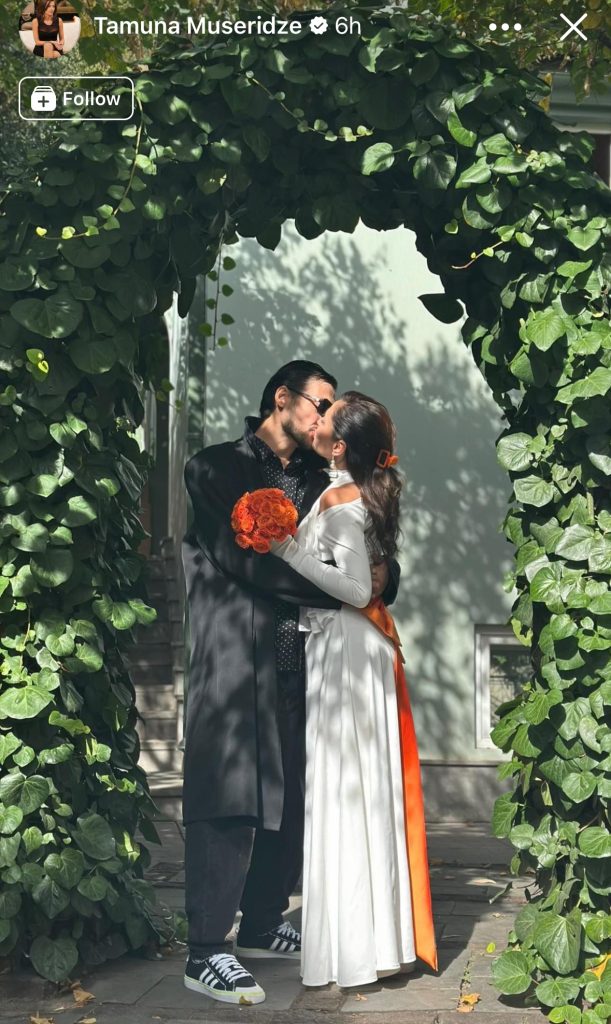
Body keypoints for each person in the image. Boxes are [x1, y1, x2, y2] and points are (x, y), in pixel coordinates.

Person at [181, 362, 401, 1004]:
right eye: (321, 404)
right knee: (229, 796)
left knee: (295, 796)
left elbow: (362, 542)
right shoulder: (214, 468)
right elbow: (244, 563)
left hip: (309, 661)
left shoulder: (319, 476)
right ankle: (206, 950)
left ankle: (262, 922)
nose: (328, 418)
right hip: (234, 657)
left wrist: (382, 577)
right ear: (283, 398)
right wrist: (350, 594)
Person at [268, 391, 438, 987]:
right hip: (347, 646)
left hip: (347, 645)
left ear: (338, 446)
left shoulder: (342, 500)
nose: (315, 417)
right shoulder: (351, 490)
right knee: (359, 788)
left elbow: (357, 589)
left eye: (327, 415)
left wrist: (286, 549)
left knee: (347, 788)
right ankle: (374, 942)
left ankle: (359, 947)